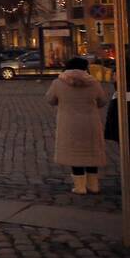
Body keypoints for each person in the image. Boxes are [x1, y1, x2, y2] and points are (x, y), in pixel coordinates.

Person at [45, 57, 108, 195]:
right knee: (91, 154)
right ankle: (93, 184)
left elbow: (50, 99)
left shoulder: (58, 83)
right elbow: (102, 101)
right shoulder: (93, 82)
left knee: (75, 154)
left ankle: (79, 186)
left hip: (69, 122)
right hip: (90, 122)